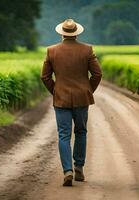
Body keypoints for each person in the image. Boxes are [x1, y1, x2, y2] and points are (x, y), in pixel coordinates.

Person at [41, 19, 102, 186]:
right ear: (76, 33)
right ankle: (79, 168)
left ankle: (67, 170)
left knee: (63, 135)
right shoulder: (87, 50)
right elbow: (97, 74)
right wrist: (87, 90)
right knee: (81, 132)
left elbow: (45, 77)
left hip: (61, 99)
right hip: (82, 98)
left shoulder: (51, 51)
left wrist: (55, 90)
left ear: (62, 33)